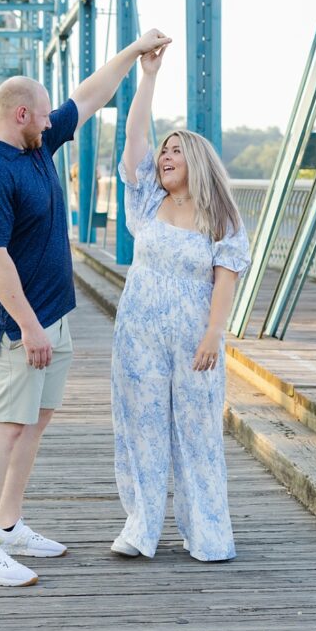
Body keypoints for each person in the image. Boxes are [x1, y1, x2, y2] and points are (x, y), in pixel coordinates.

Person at [0, 28, 173, 587]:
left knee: (36, 418)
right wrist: (28, 327)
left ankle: (8, 525)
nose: (55, 121)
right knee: (3, 423)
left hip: (53, 314)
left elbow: (91, 95)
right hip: (14, 323)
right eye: (45, 114)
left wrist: (134, 53)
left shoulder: (37, 145)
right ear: (22, 113)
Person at [111, 44, 249, 562]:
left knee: (197, 430)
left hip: (196, 337)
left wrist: (215, 333)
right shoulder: (148, 198)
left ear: (196, 161)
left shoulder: (223, 218)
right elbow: (133, 138)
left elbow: (226, 277)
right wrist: (148, 76)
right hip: (138, 331)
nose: (164, 157)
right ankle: (141, 529)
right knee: (140, 426)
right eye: (163, 152)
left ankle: (207, 532)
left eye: (175, 152)